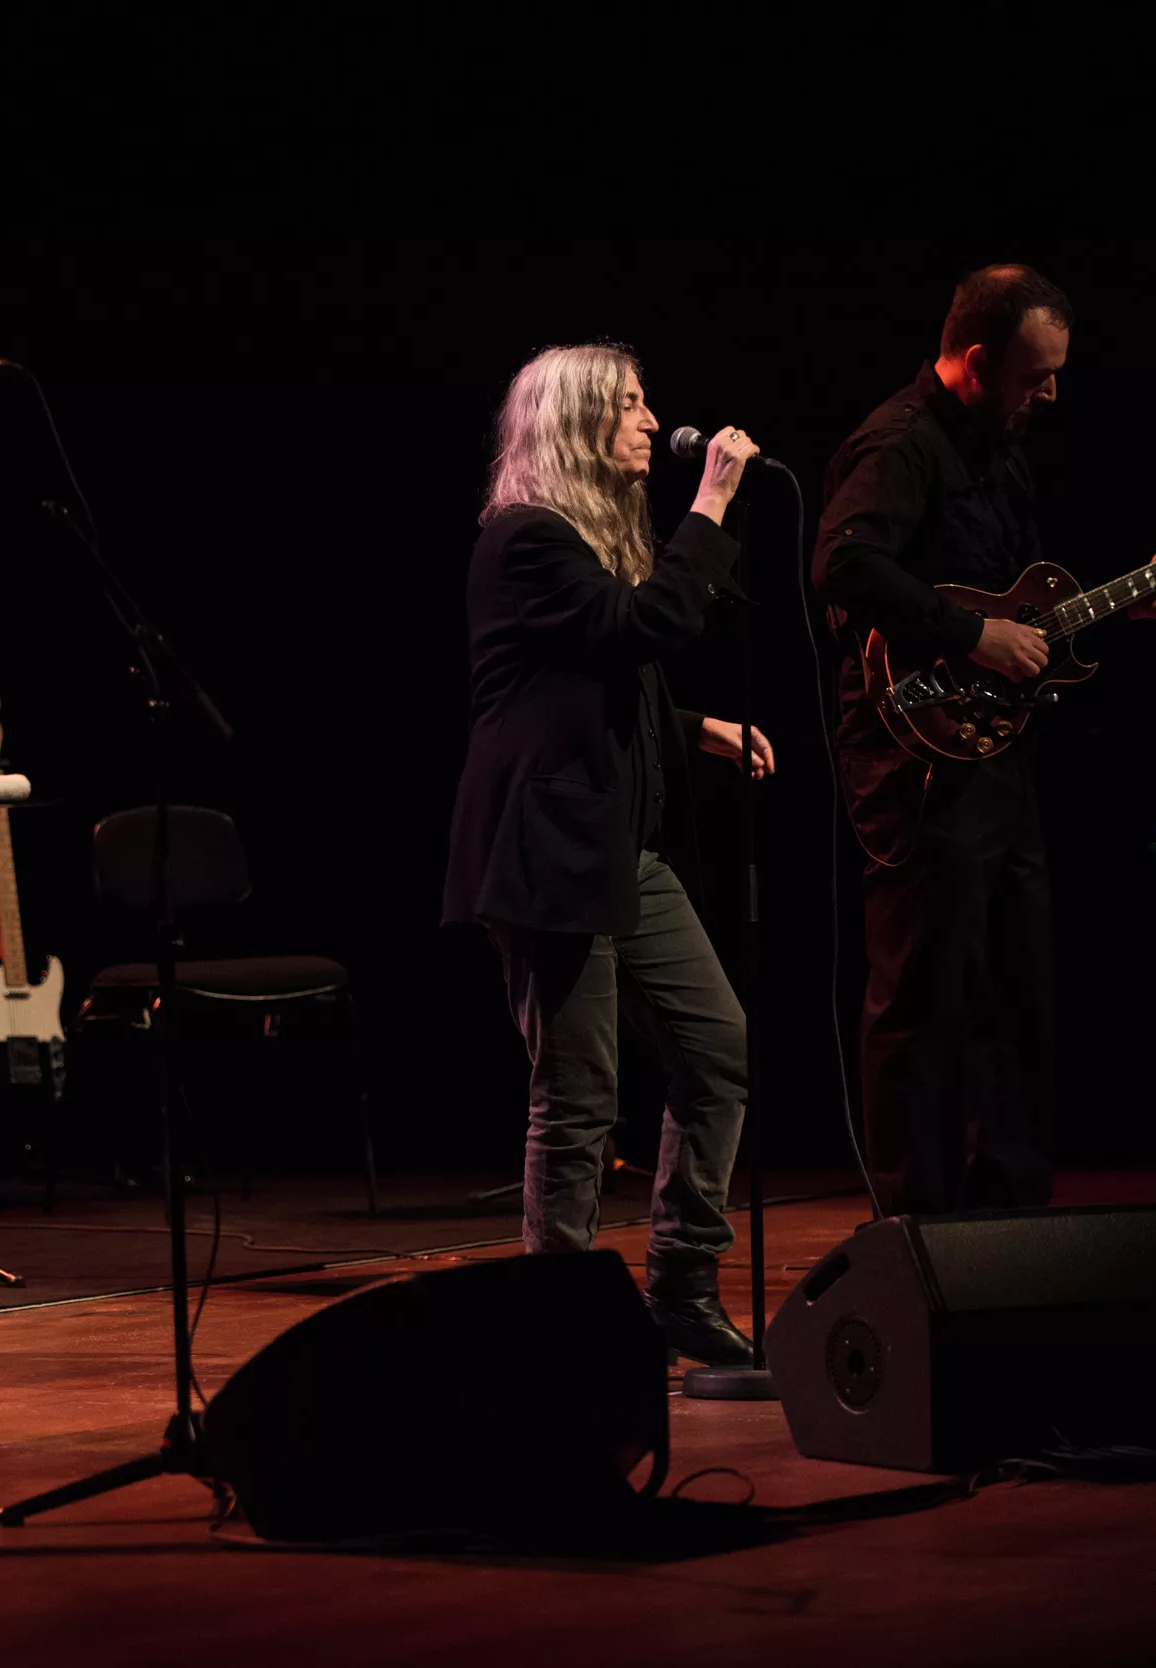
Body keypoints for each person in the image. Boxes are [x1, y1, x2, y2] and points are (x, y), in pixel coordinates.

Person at [813, 265, 1156, 1215]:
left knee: (1018, 994)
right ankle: (917, 1228)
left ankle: (1011, 1221)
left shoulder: (1001, 450)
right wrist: (969, 635)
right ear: (979, 361)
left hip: (994, 753)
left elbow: (1019, 612)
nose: (1052, 394)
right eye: (1037, 376)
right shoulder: (900, 443)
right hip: (914, 760)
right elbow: (845, 563)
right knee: (924, 997)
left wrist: (1128, 608)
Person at [443, 343, 776, 1367]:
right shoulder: (525, 539)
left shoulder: (578, 543)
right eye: (630, 405)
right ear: (580, 422)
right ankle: (562, 1327)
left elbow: (588, 681)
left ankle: (681, 1284)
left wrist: (695, 727)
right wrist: (711, 502)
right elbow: (644, 625)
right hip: (547, 853)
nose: (651, 422)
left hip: (618, 852)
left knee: (718, 1049)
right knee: (578, 1095)